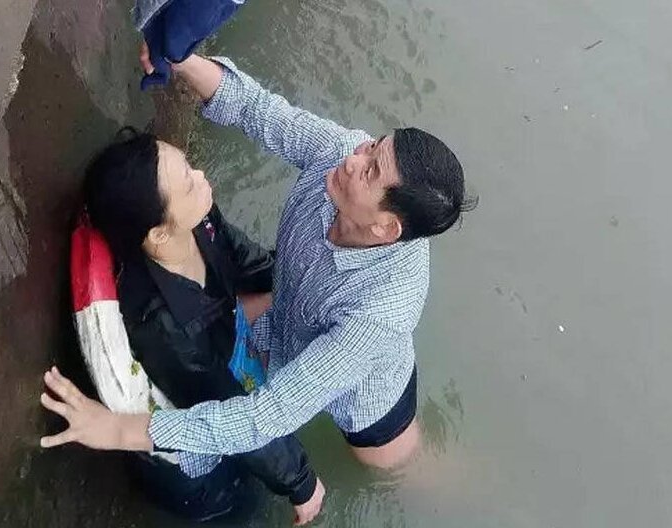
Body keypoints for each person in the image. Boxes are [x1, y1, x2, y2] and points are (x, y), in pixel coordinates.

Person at [39, 52, 477, 474]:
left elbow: (269, 414)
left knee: (399, 466)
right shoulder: (344, 154)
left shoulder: (379, 315)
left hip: (366, 397)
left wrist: (120, 429)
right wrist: (181, 59)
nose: (352, 158)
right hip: (285, 319)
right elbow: (259, 111)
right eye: (373, 145)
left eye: (370, 170)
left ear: (385, 228)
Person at [76, 130, 324, 524]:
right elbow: (230, 417)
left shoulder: (196, 220)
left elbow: (244, 259)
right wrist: (300, 481)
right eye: (189, 183)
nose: (202, 176)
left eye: (189, 167)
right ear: (159, 233)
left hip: (218, 362)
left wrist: (309, 284)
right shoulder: (167, 329)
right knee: (246, 509)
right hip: (196, 460)